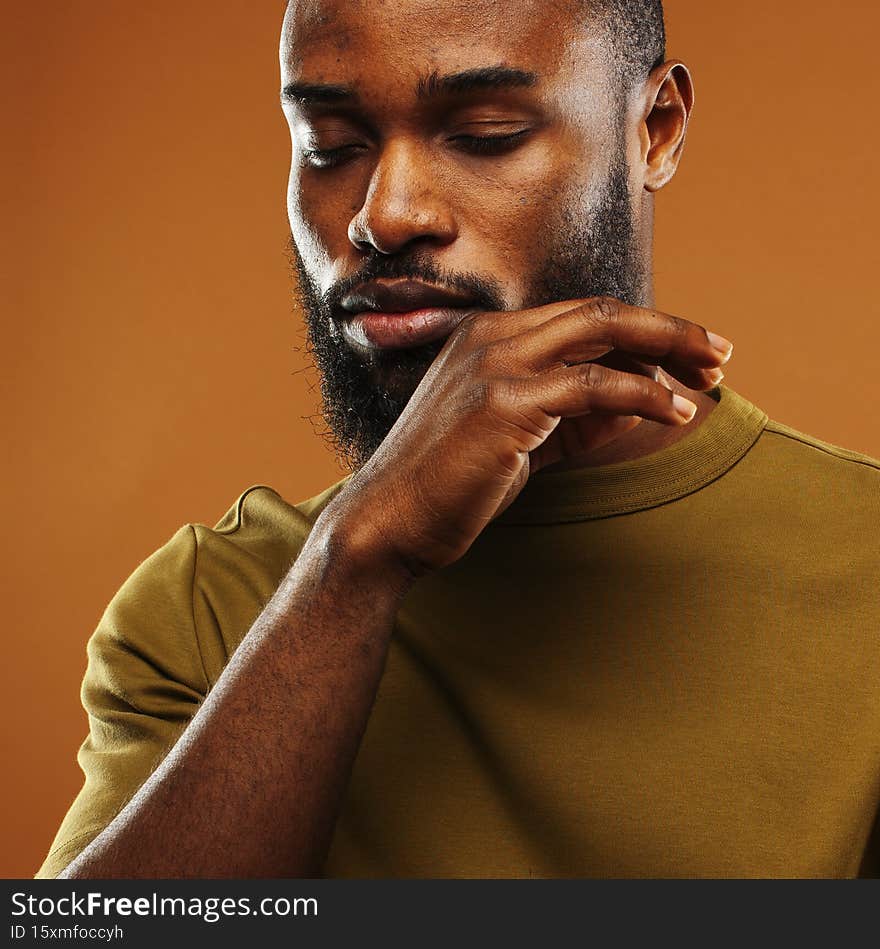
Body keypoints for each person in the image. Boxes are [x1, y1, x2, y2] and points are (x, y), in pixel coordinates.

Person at [37, 0, 879, 879]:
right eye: (330, 144)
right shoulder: (213, 607)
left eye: (485, 133)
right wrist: (358, 563)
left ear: (655, 131)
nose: (386, 216)